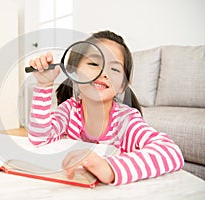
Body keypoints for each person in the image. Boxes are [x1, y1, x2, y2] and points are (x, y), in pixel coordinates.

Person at [27, 30, 184, 185]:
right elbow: (39, 139)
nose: (103, 73)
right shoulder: (69, 110)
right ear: (74, 73)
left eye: (114, 69)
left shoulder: (125, 120)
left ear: (122, 86)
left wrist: (110, 168)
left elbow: (170, 152)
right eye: (94, 63)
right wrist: (44, 85)